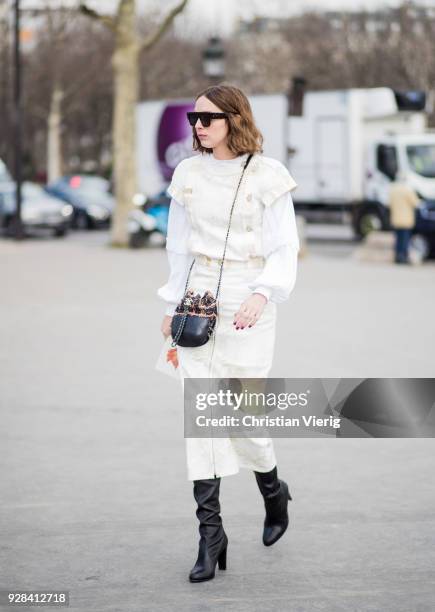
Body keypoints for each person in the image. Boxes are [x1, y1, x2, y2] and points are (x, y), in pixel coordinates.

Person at [156, 84, 300, 582]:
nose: (198, 125)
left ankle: (273, 490)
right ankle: (210, 535)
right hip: (198, 297)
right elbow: (178, 245)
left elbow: (284, 247)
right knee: (203, 414)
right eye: (195, 117)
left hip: (248, 295)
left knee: (243, 414)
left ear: (234, 119)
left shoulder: (267, 175)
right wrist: (173, 301)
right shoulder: (188, 173)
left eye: (209, 118)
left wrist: (264, 294)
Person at [388, 170, 420, 264]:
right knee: (405, 239)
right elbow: (416, 203)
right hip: (406, 219)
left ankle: (397, 256)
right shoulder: (407, 190)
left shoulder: (393, 189)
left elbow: (389, 203)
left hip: (396, 219)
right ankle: (403, 257)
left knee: (398, 239)